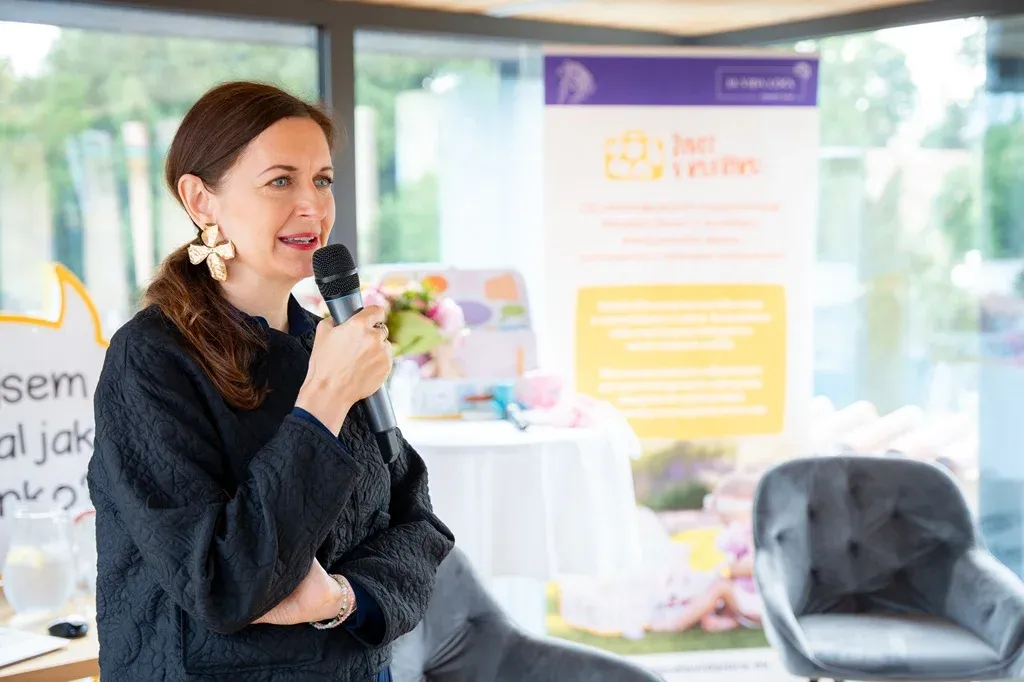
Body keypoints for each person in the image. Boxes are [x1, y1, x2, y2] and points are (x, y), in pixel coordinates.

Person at [86, 81, 455, 682]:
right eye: (281, 181)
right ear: (201, 200)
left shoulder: (329, 341)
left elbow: (418, 524)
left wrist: (341, 599)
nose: (313, 206)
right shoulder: (151, 358)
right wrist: (325, 398)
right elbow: (221, 582)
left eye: (323, 180)